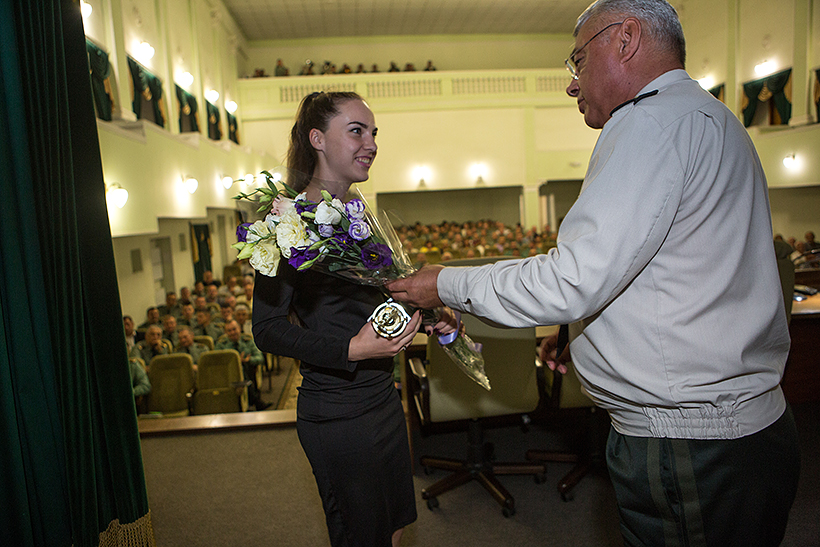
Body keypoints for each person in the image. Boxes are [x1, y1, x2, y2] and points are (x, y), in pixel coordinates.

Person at [387, 1, 800, 545]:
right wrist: (586, 335)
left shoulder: (648, 121)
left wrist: (444, 282)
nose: (572, 83)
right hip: (741, 430)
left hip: (689, 444)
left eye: (578, 60)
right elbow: (683, 273)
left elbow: (572, 279)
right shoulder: (713, 117)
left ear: (626, 39)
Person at [252, 91, 456, 547]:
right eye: (357, 131)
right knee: (362, 535)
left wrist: (427, 315)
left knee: (396, 524)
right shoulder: (284, 224)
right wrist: (351, 349)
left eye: (374, 133)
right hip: (337, 413)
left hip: (382, 397)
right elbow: (266, 330)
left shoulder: (357, 218)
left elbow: (374, 300)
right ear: (317, 139)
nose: (371, 143)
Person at [216, 320, 270, 411]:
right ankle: (256, 401)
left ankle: (252, 400)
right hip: (228, 375)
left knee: (244, 367)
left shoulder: (248, 341)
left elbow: (260, 358)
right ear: (225, 332)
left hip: (249, 371)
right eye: (229, 331)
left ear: (239, 329)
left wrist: (248, 360)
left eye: (234, 329)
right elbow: (217, 363)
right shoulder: (221, 345)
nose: (232, 332)